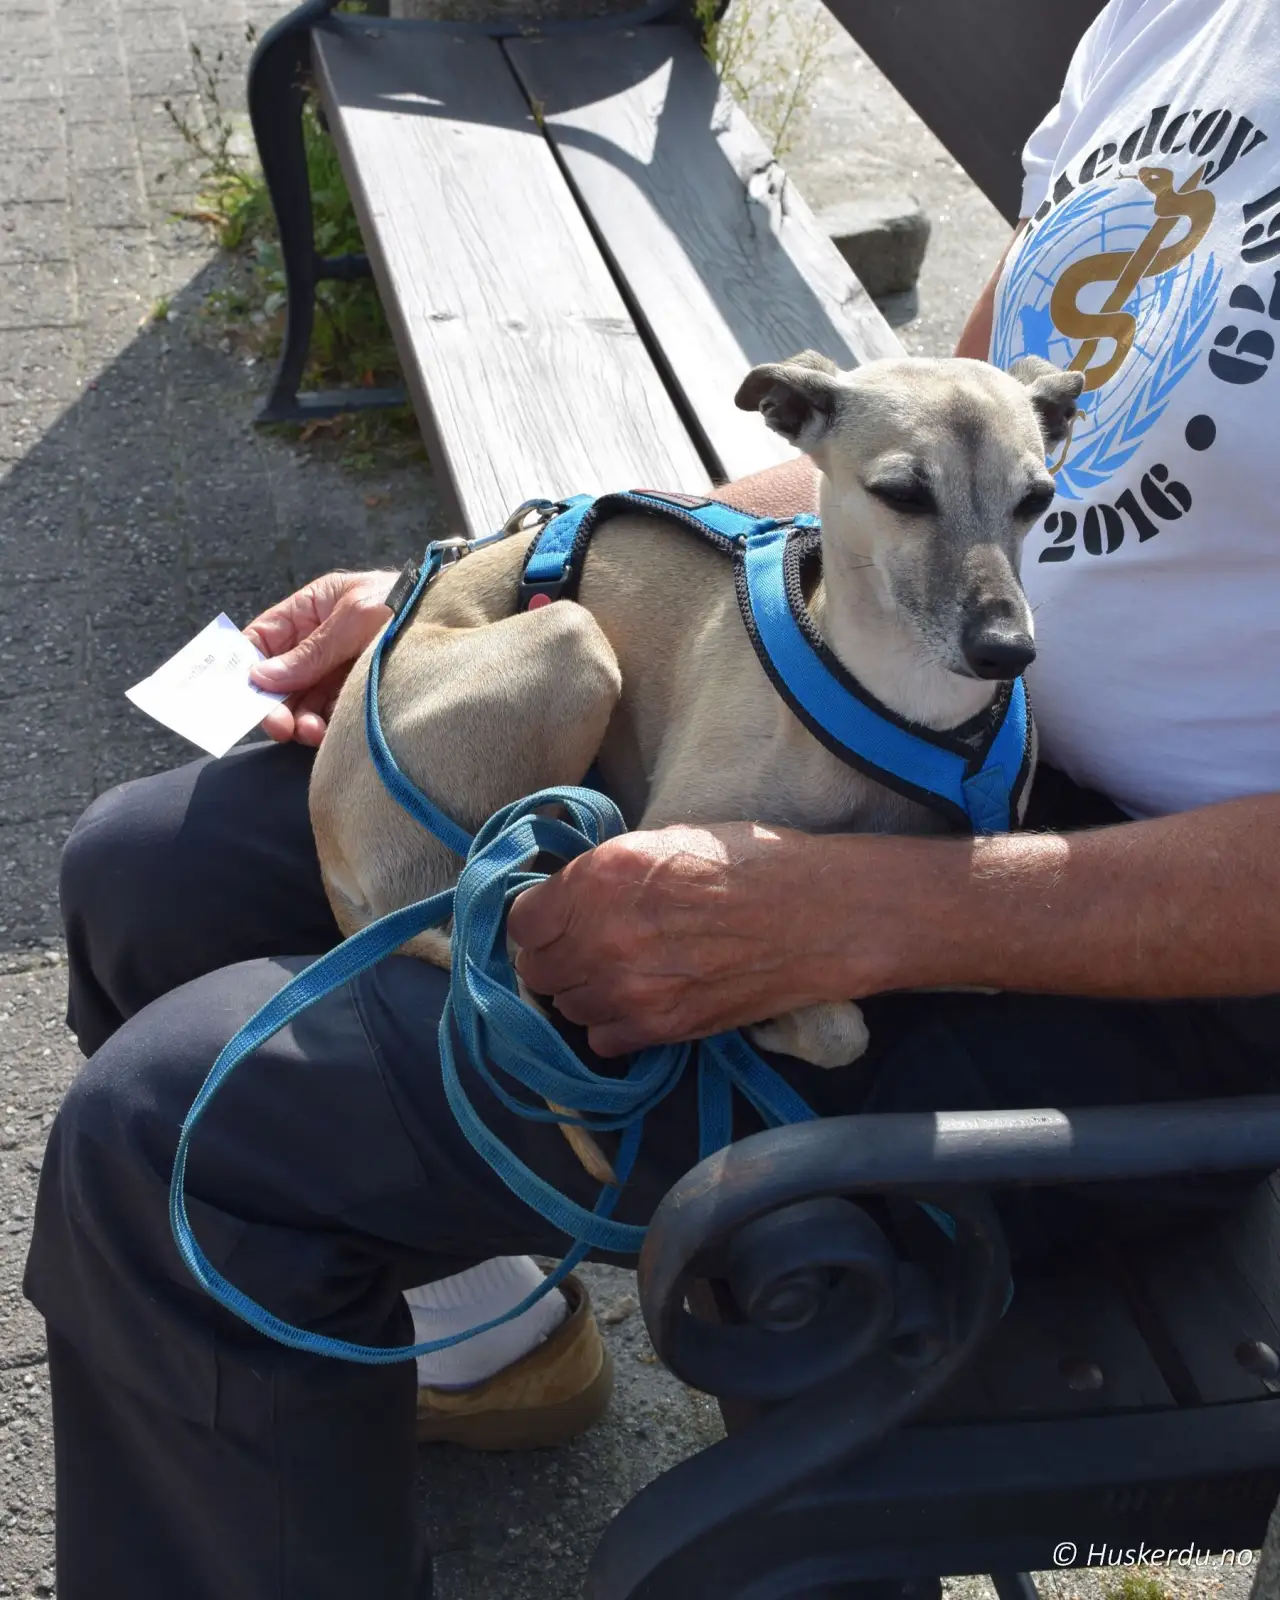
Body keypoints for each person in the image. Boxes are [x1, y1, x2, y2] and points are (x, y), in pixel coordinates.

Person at [26, 0, 1280, 1594]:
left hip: (1124, 949)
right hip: (842, 720)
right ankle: (479, 1346)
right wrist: (501, 571)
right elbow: (918, 420)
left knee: (181, 1135)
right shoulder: (1189, 18)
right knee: (152, 869)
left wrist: (861, 915)